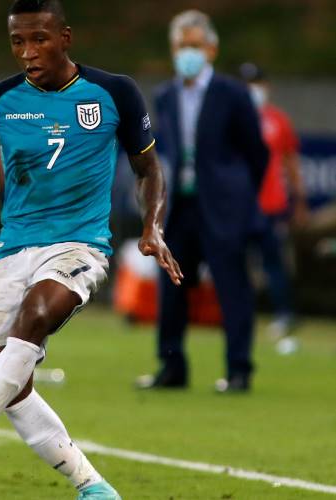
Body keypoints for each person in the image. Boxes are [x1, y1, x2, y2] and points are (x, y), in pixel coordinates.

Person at [0, 1, 182, 499]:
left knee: (38, 312)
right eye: (18, 42)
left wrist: (153, 227)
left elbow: (148, 170)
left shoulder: (113, 93)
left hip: (79, 244)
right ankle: (91, 485)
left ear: (65, 37)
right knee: (4, 370)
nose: (28, 52)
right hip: (12, 247)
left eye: (39, 39)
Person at [136, 10, 269, 393]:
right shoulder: (165, 95)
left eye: (194, 45)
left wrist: (241, 197)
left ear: (211, 49)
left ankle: (239, 370)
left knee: (232, 288)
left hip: (224, 206)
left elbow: (256, 153)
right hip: (179, 206)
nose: (187, 53)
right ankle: (172, 366)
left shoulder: (233, 94)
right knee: (172, 288)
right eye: (181, 46)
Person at [239, 62, 308, 338]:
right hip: (238, 205)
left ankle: (284, 314)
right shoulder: (231, 119)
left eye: (255, 83)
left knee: (274, 263)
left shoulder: (277, 120)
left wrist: (299, 199)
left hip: (270, 204)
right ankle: (239, 315)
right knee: (236, 264)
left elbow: (291, 163)